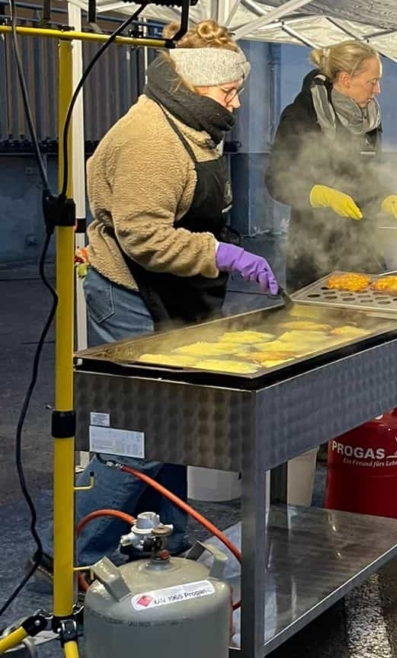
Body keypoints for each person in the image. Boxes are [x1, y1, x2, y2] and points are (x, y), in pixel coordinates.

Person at [35, 19, 276, 579]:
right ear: (193, 84)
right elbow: (144, 237)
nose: (235, 102)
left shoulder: (192, 122)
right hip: (130, 295)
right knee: (139, 431)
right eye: (228, 91)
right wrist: (224, 256)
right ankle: (73, 553)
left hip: (174, 293)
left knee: (175, 422)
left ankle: (165, 535)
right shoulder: (151, 139)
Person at [266, 41, 397, 290]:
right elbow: (277, 180)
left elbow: (371, 172)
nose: (378, 89)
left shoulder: (369, 119)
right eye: (372, 81)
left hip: (364, 245)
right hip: (315, 251)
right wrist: (320, 194)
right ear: (346, 79)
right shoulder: (302, 115)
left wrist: (385, 196)